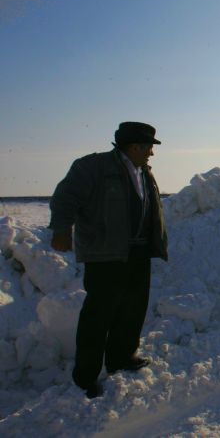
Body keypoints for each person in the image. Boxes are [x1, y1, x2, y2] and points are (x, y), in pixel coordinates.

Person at [49, 122, 168, 398]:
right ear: (134, 146)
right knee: (98, 315)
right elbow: (65, 198)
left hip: (137, 253)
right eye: (149, 147)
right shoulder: (93, 167)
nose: (152, 153)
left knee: (133, 309)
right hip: (106, 254)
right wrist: (61, 229)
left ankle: (121, 357)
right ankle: (86, 375)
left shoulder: (143, 172)